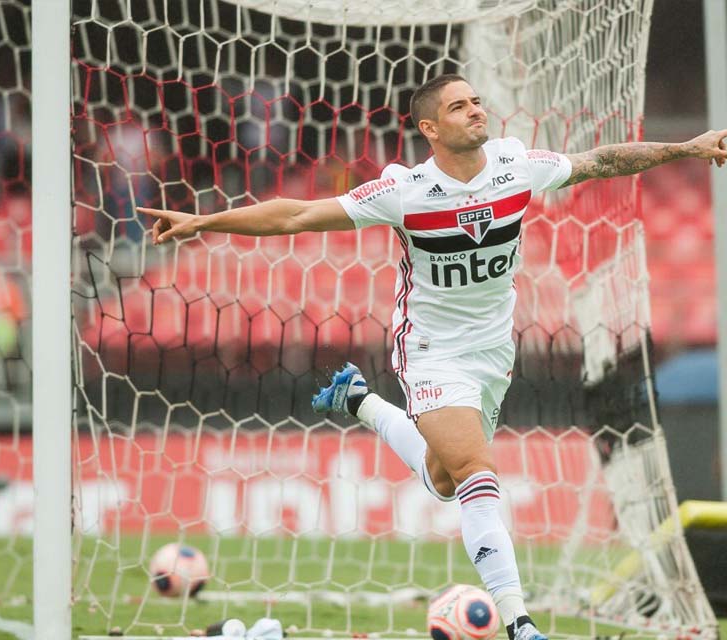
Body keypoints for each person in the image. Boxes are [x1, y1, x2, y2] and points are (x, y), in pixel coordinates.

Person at [138, 74, 727, 640]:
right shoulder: (405, 190)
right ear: (430, 129)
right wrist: (205, 222)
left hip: (493, 351)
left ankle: (361, 402)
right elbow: (297, 214)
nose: (476, 110)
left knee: (447, 483)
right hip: (429, 351)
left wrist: (687, 147)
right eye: (458, 107)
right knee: (477, 473)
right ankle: (520, 621)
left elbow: (604, 161)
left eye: (476, 101)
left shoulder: (515, 166)